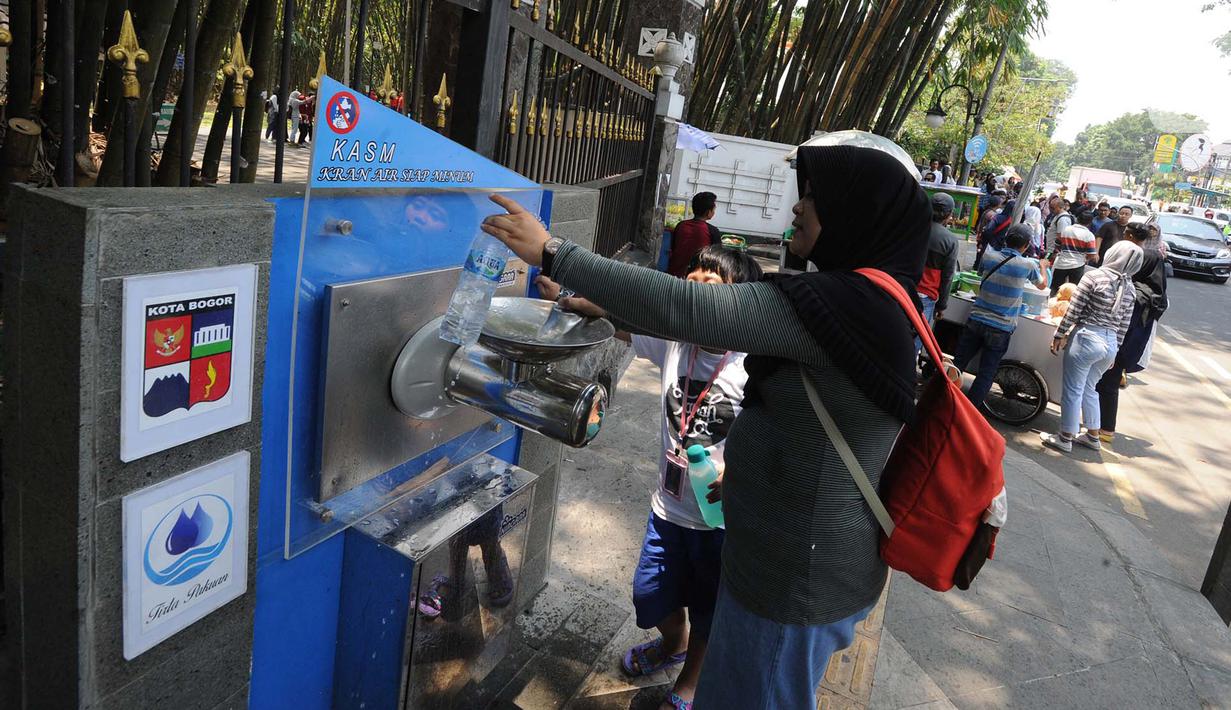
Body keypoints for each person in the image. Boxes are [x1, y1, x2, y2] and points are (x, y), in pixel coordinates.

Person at [481, 145, 931, 709]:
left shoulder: (847, 304)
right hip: (786, 550)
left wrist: (554, 251)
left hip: (795, 572)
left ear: (855, 212)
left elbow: (694, 310)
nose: (797, 210)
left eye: (812, 198)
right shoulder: (876, 303)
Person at [543, 246, 762, 710]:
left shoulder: (754, 365)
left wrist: (737, 465)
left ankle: (689, 683)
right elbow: (620, 318)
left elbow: (777, 433)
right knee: (650, 596)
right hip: (668, 507)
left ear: (738, 301)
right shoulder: (674, 342)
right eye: (691, 276)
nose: (695, 286)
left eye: (712, 284)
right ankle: (672, 640)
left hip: (720, 521)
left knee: (709, 610)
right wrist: (566, 299)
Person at [1041, 241, 1143, 454]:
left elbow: (1074, 310)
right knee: (1090, 388)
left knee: (1073, 390)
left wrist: (1060, 334)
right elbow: (1124, 324)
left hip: (1087, 338)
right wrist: (1115, 349)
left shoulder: (1093, 277)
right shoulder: (1131, 288)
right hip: (1110, 343)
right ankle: (1092, 435)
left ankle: (1065, 437)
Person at [953, 224, 1050, 410]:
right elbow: (1042, 286)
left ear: (1006, 239)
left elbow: (981, 274)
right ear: (1026, 245)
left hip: (976, 319)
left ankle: (942, 397)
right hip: (1001, 327)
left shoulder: (988, 256)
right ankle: (968, 412)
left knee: (958, 364)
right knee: (986, 373)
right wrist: (1044, 266)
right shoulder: (1028, 265)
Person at [1092, 224, 1167, 444]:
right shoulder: (1151, 295)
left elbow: (1122, 327)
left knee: (1106, 383)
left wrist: (1114, 351)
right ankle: (1099, 426)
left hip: (1120, 346)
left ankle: (1103, 429)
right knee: (1105, 383)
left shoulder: (1136, 295)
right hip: (1125, 346)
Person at [918, 192, 960, 334]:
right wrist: (942, 305)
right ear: (948, 214)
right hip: (925, 297)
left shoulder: (912, 227)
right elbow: (947, 276)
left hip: (901, 290)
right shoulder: (950, 240)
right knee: (916, 340)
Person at [668, 192, 723, 278]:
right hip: (697, 278)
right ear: (708, 212)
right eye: (713, 209)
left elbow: (674, 248)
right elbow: (718, 258)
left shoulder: (681, 225)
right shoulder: (712, 231)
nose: (714, 212)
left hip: (674, 274)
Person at [1049, 210, 1098, 294]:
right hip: (1077, 265)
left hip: (1061, 264)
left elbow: (1057, 243)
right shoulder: (1089, 235)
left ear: (1077, 219)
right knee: (1073, 291)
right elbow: (1092, 255)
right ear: (1090, 222)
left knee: (1055, 288)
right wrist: (1085, 259)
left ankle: (1052, 304)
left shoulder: (1066, 230)